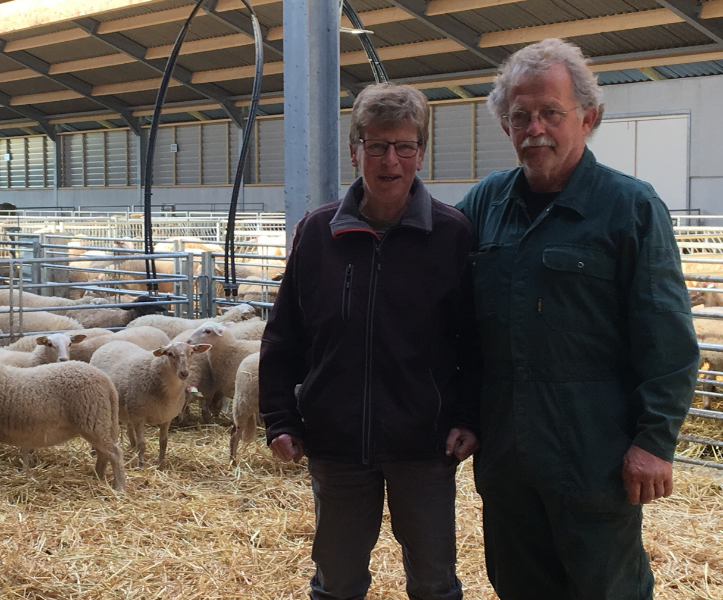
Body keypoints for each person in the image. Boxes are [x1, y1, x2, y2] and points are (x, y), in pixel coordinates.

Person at [457, 38, 700, 599]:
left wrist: (655, 441)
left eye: (550, 113)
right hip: (507, 454)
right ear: (505, 125)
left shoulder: (630, 208)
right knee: (518, 584)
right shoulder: (484, 204)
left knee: (605, 587)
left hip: (594, 452)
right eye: (520, 116)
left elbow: (669, 338)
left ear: (588, 118)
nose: (534, 127)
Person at [259, 83, 481, 600]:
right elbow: (284, 333)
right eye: (377, 145)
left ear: (420, 153)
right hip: (336, 444)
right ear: (355, 149)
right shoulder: (318, 233)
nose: (390, 160)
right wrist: (280, 417)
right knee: (337, 581)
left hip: (425, 446)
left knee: (433, 580)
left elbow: (473, 342)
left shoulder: (451, 235)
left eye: (405, 146)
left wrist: (469, 416)